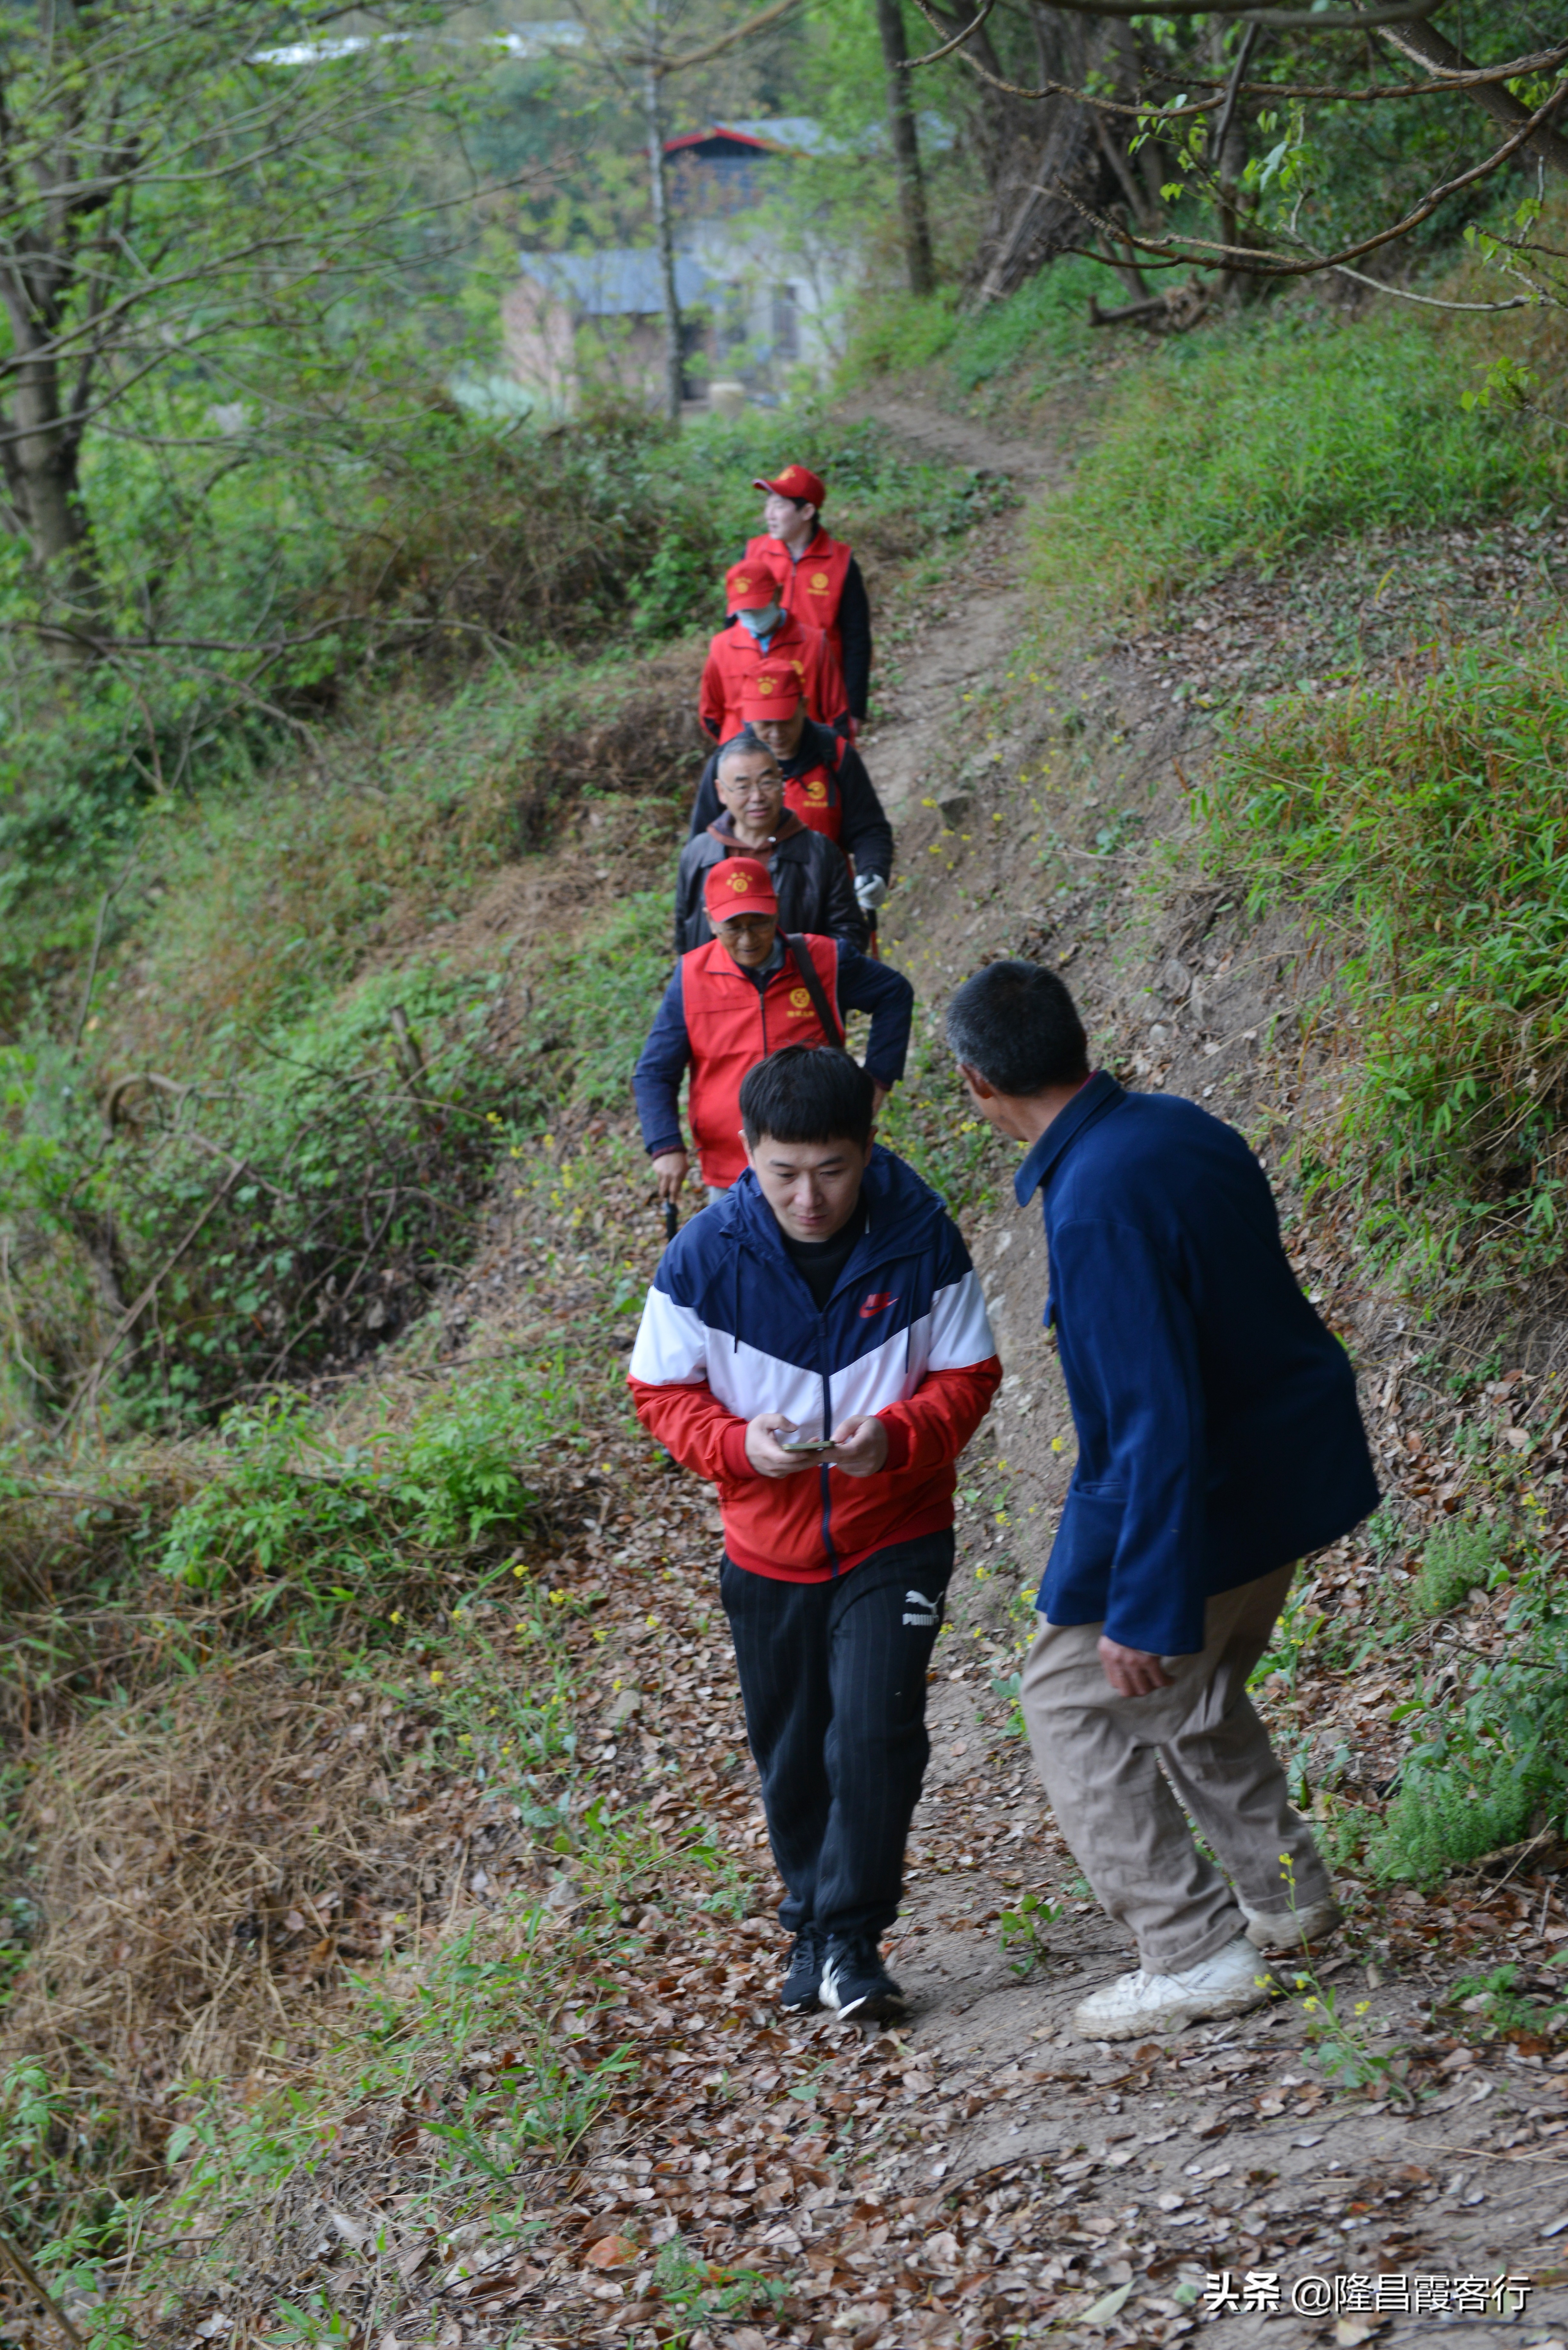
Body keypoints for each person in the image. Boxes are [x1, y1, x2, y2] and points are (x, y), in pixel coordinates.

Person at [946, 960, 1380, 2041]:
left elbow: (1153, 1421)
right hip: (1285, 1472)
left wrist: (1140, 1602)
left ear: (974, 1084)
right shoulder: (1180, 1126)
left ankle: (1190, 1950)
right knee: (1189, 1692)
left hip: (1209, 1494)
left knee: (1068, 1695)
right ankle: (1287, 1894)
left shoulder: (1094, 1201)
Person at [628, 1045, 1001, 2020]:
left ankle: (849, 1937)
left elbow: (968, 1375)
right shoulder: (703, 1256)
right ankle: (810, 1927)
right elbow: (659, 1392)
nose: (807, 1196)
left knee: (876, 1730)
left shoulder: (918, 1234)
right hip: (765, 1543)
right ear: (746, 1151)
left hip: (895, 1526)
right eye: (783, 1171)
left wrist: (898, 1435)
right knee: (791, 1749)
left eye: (831, 1170)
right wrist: (738, 1444)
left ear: (867, 1150)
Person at [636, 858, 913, 1203]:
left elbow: (894, 993)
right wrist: (665, 1145)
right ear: (710, 920)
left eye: (760, 924)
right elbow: (655, 1071)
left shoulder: (824, 959)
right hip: (732, 1168)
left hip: (823, 1161)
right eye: (733, 927)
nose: (749, 939)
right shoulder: (691, 977)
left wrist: (878, 1079)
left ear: (777, 908)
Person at [686, 665, 893, 931]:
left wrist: (872, 871)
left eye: (785, 721)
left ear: (804, 706)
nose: (776, 734)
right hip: (743, 919)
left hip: (822, 904)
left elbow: (868, 827)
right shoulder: (728, 765)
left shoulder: (834, 754)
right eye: (765, 724)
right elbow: (703, 847)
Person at [675, 736, 864, 957]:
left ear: (781, 781)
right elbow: (685, 939)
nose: (757, 797)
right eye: (743, 787)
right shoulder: (698, 854)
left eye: (767, 783)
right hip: (720, 989)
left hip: (800, 987)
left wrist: (804, 970)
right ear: (721, 792)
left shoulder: (819, 852)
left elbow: (849, 934)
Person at [746, 463, 872, 726]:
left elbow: (857, 639)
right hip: (764, 696)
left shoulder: (841, 562)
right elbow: (734, 626)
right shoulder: (754, 554)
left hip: (822, 694)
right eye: (768, 504)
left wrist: (856, 709)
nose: (769, 514)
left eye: (780, 506)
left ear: (807, 512)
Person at [700, 557, 848, 744]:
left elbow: (836, 712)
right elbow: (711, 715)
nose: (753, 616)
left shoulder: (814, 643)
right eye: (745, 611)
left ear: (778, 593)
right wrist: (737, 746)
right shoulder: (721, 648)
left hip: (805, 752)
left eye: (758, 607)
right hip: (746, 762)